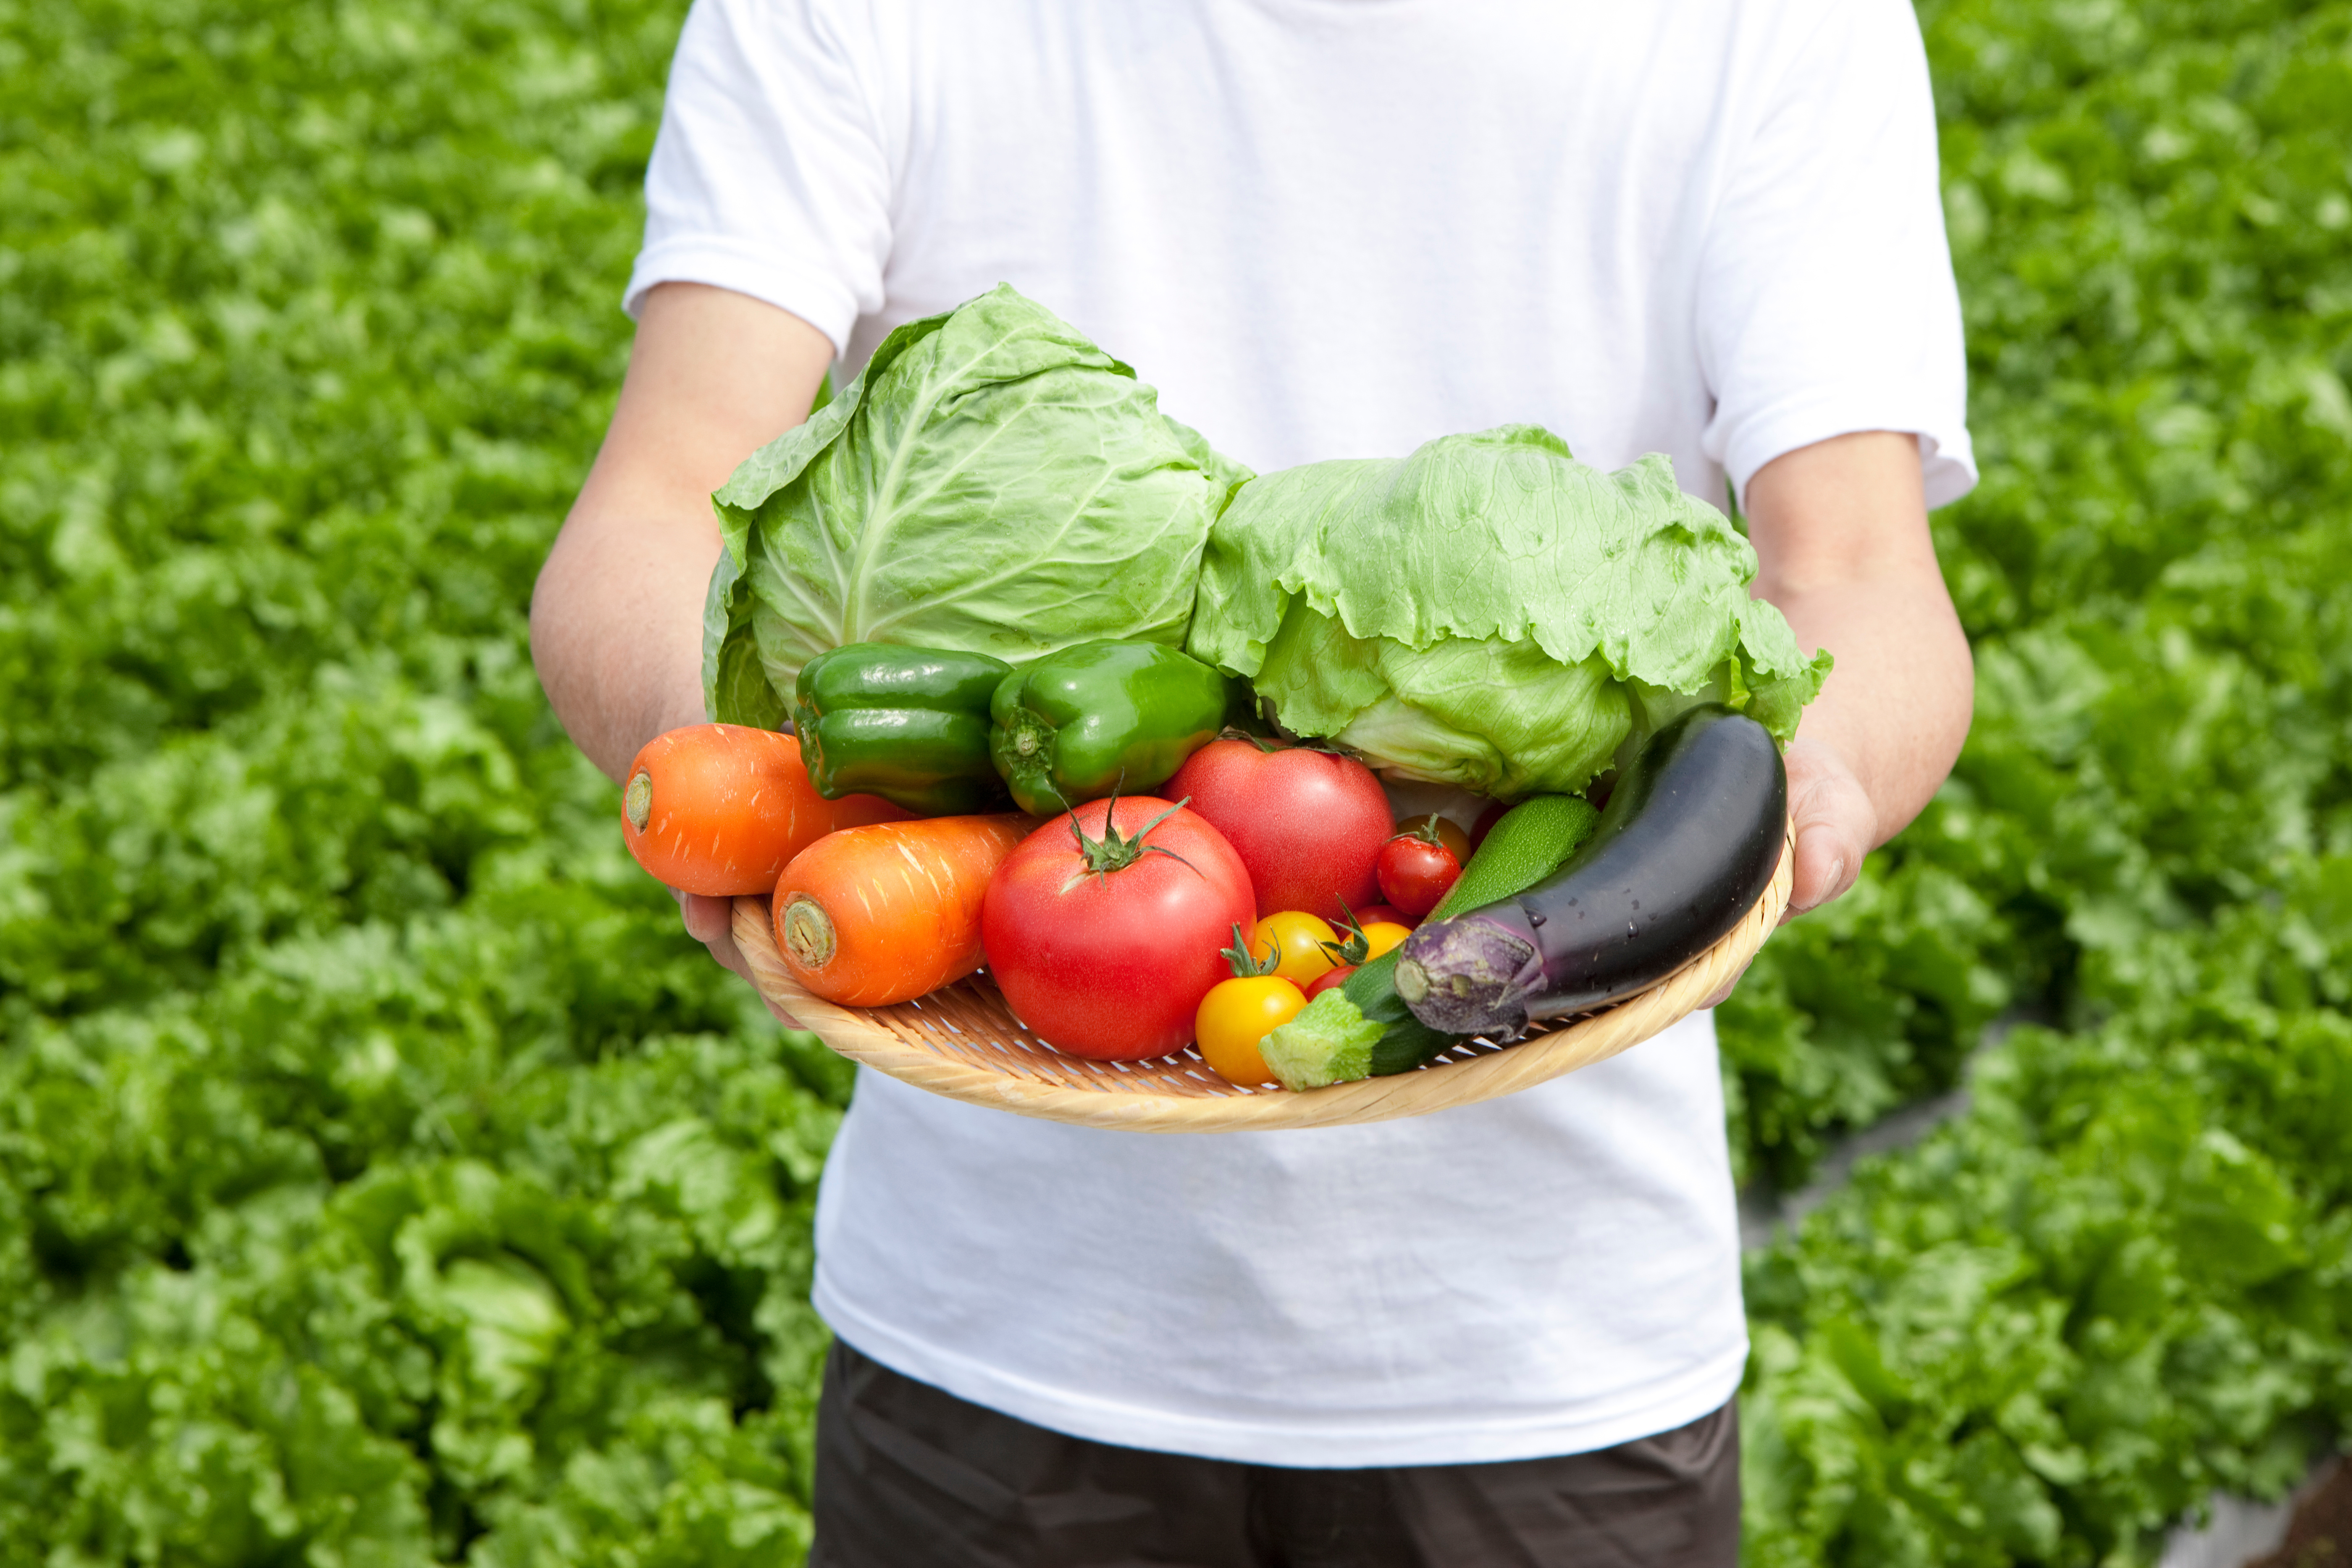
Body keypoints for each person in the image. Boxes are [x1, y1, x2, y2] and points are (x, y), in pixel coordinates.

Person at [530, 0, 1975, 1561]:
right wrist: (768, 794)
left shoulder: (1774, 24)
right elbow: (656, 500)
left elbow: (1860, 572)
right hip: (996, 1332)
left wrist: (1806, 788)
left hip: (1544, 1347)